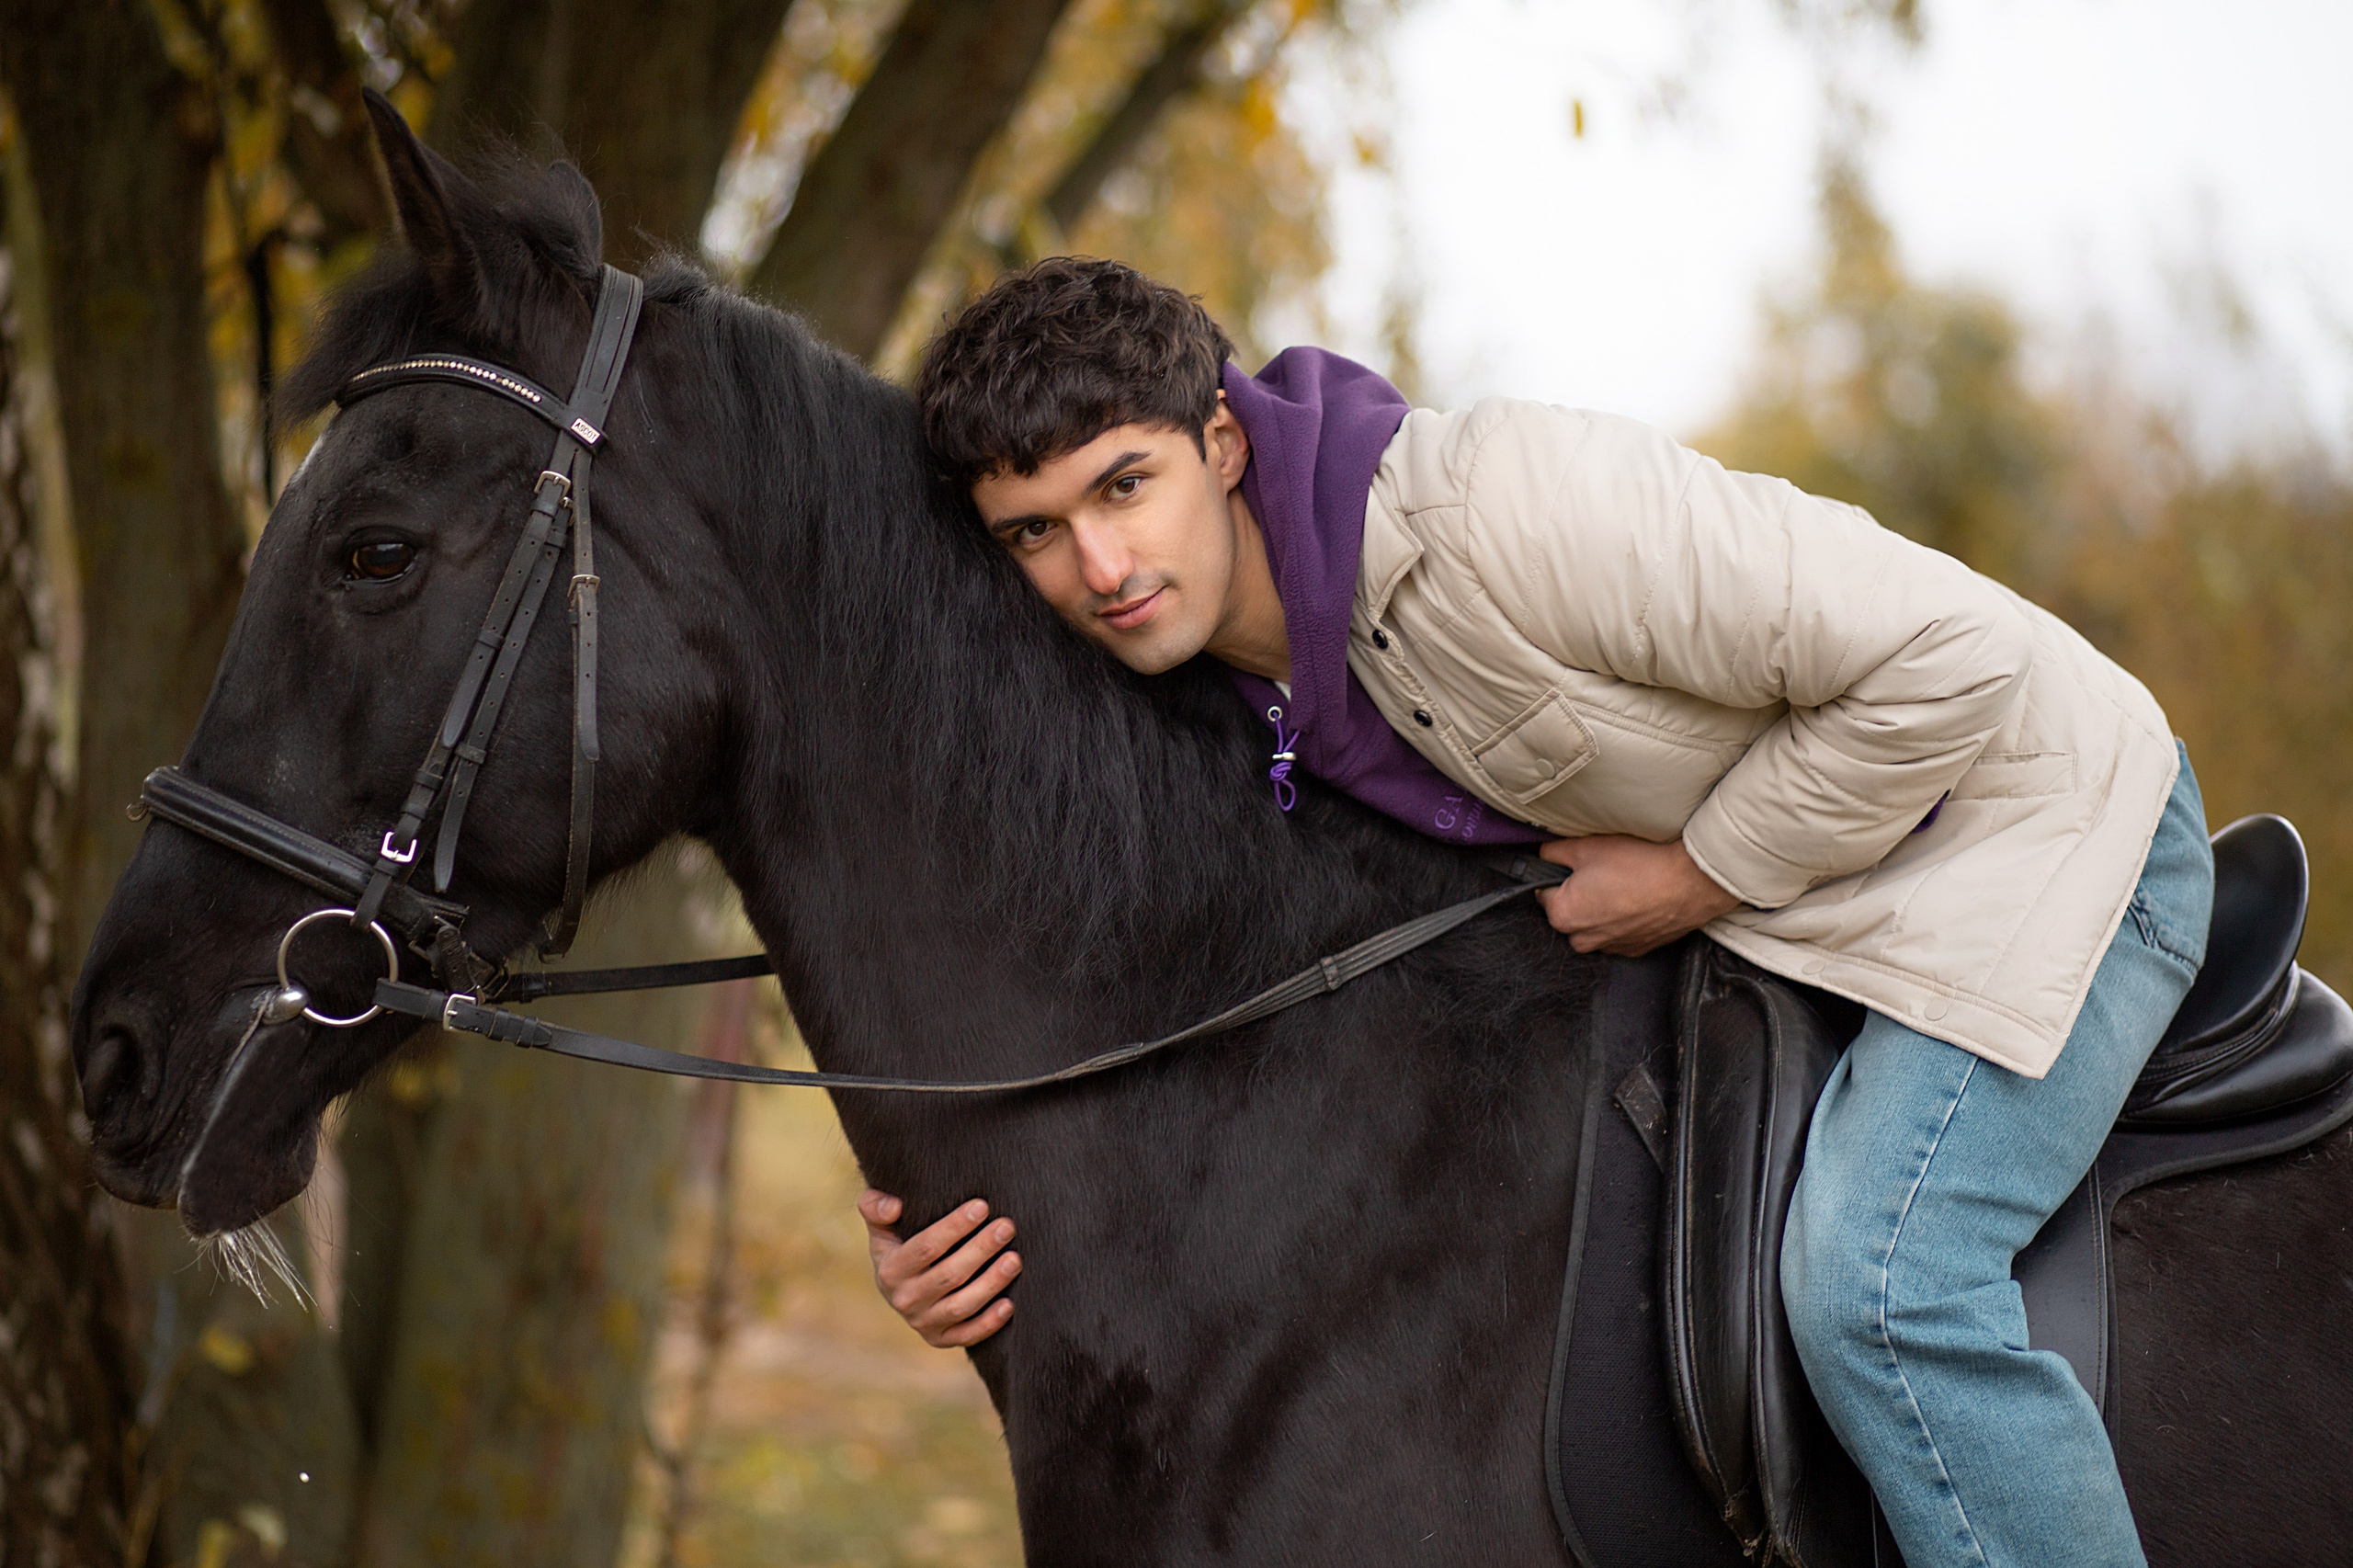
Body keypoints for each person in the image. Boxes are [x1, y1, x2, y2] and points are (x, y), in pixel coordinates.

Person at [856, 256, 2210, 1568]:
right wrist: (950, 1220)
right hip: (1807, 901)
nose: (1098, 564)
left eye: (1123, 485)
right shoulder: (1185, 668)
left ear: (1218, 440)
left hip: (2041, 828)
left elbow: (1953, 659)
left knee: (1881, 1286)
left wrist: (1699, 871)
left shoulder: (1503, 511)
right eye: (1035, 530)